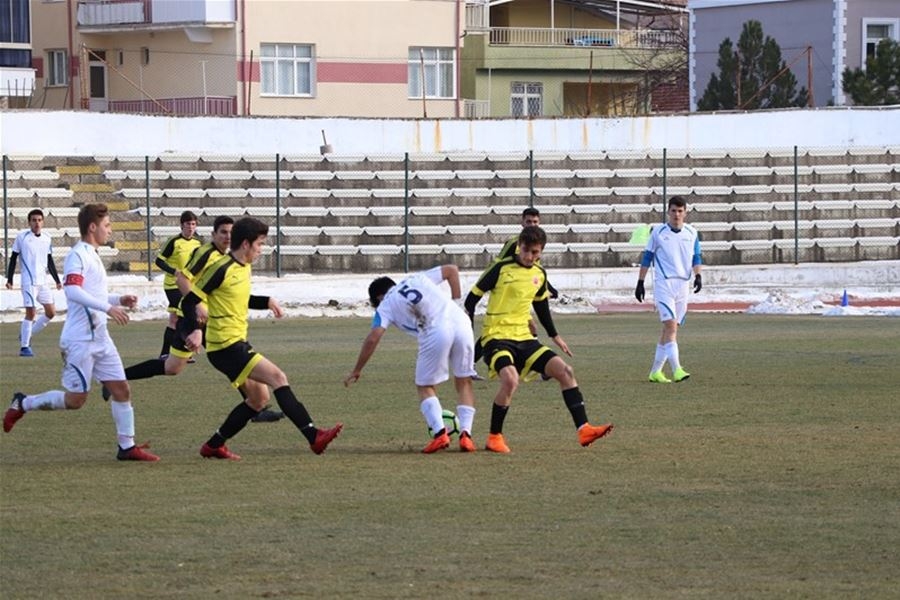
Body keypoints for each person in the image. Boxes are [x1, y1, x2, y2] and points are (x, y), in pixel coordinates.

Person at [3, 203, 159, 461]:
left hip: (101, 338)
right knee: (76, 400)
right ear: (93, 227)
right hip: (80, 341)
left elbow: (92, 294)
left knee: (121, 390)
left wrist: (119, 298)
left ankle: (127, 446)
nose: (110, 230)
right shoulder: (79, 255)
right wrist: (109, 308)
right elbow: (73, 291)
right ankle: (23, 402)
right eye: (107, 225)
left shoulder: (93, 254)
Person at [179, 216, 342, 460]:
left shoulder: (243, 267)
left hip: (235, 343)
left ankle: (214, 445)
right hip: (225, 346)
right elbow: (189, 300)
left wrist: (265, 301)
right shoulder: (220, 268)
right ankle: (313, 436)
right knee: (278, 377)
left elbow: (237, 297)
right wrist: (195, 329)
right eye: (259, 244)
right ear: (245, 244)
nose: (261, 250)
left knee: (258, 400)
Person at [104, 215, 284, 423]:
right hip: (194, 317)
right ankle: (256, 407)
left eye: (231, 233)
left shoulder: (228, 257)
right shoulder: (206, 253)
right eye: (223, 232)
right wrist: (198, 308)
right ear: (213, 234)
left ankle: (116, 379)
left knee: (172, 367)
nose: (227, 236)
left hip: (197, 317)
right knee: (233, 357)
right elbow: (182, 278)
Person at [464, 225, 613, 453]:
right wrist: (469, 331)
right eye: (526, 250)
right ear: (519, 247)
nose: (530, 256)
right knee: (510, 380)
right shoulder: (500, 268)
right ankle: (494, 436)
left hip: (524, 339)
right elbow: (472, 298)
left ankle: (583, 429)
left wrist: (554, 335)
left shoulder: (539, 274)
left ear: (541, 252)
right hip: (496, 339)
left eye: (535, 253)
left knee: (566, 372)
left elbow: (541, 306)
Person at [343, 264, 478, 453]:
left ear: (378, 299)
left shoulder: (385, 305)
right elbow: (452, 270)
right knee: (463, 382)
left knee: (424, 386)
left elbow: (373, 337)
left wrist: (357, 369)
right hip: (462, 322)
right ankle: (466, 436)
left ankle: (440, 434)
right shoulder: (417, 278)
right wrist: (457, 303)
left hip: (435, 329)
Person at [634, 195, 702, 384]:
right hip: (664, 284)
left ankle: (655, 372)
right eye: (673, 211)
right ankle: (677, 369)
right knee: (671, 327)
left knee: (670, 329)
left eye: (680, 211)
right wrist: (640, 282)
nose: (677, 214)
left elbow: (696, 257)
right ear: (668, 212)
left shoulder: (692, 233)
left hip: (683, 285)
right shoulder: (658, 232)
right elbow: (647, 257)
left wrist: (698, 276)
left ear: (685, 213)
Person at [5, 208, 62, 357]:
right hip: (28, 281)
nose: (37, 223)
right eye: (34, 220)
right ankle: (24, 347)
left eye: (39, 220)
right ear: (29, 222)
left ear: (43, 222)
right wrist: (9, 279)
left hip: (42, 282)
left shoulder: (47, 238)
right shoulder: (22, 238)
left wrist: (57, 280)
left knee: (51, 312)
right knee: (31, 313)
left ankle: (26, 335)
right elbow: (13, 258)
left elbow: (49, 260)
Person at [155, 210, 202, 359]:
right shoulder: (174, 242)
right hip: (173, 285)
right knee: (183, 315)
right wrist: (173, 271)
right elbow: (159, 261)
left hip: (188, 285)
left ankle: (169, 353)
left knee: (175, 319)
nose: (191, 227)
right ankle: (174, 352)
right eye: (188, 224)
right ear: (182, 225)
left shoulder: (197, 243)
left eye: (193, 224)